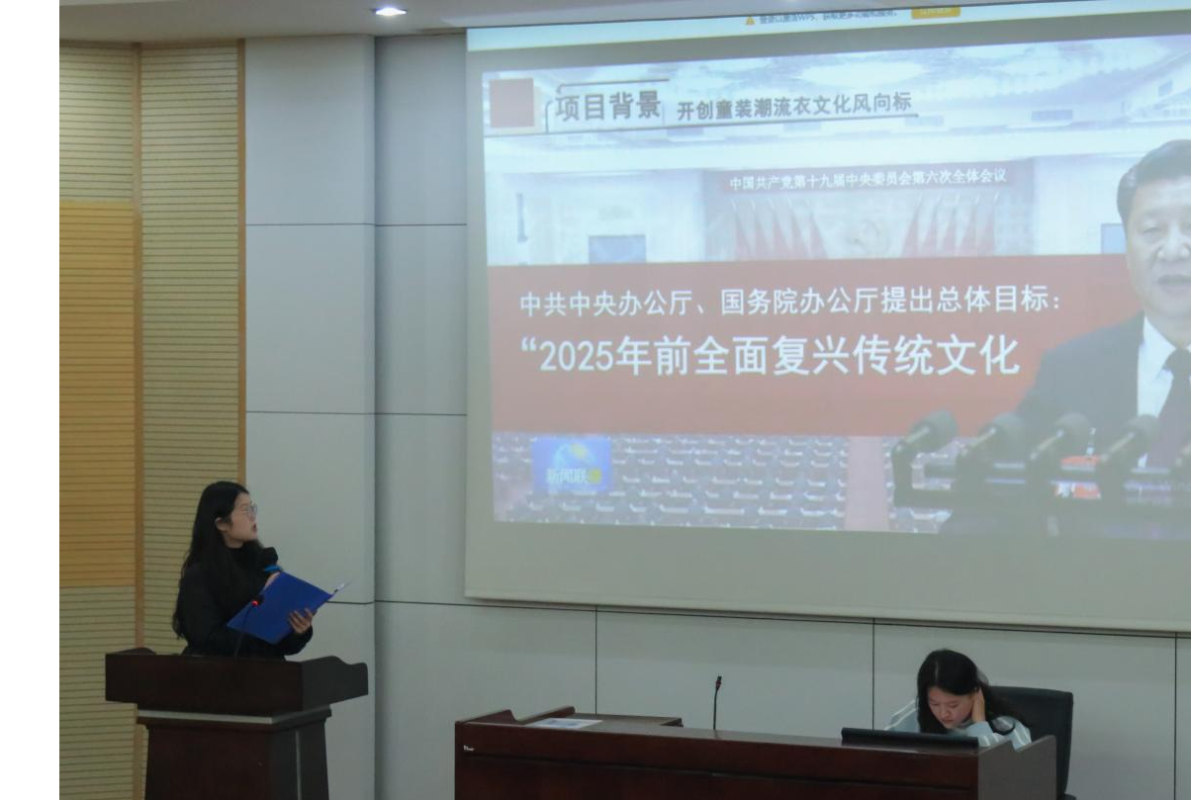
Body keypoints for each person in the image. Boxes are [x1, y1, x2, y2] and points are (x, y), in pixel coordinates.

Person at [1017, 139, 1191, 462]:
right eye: (1152, 230)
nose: (1172, 250)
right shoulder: (1069, 370)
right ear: (1127, 250)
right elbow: (1019, 486)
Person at [172, 481, 314, 657]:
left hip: (269, 669)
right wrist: (263, 604)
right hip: (221, 671)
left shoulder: (263, 564)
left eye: (253, 508)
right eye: (245, 510)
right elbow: (208, 639)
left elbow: (283, 646)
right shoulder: (199, 576)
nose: (253, 516)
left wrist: (298, 630)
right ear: (221, 524)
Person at [885, 649, 1031, 750]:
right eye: (934, 704)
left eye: (953, 705)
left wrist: (980, 725)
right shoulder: (916, 713)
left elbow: (1017, 775)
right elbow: (881, 749)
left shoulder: (1006, 724)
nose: (943, 713)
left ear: (974, 694)